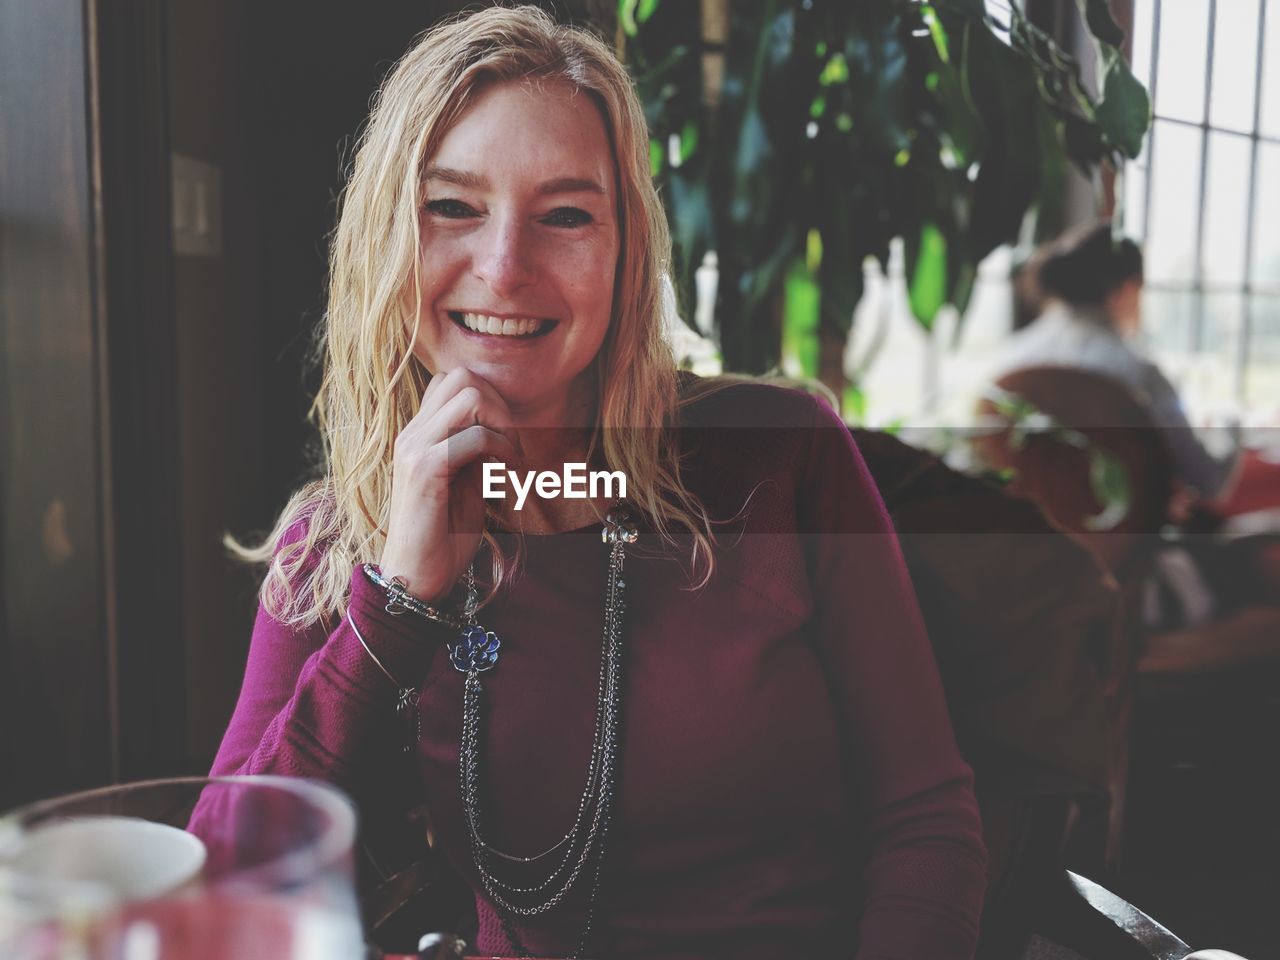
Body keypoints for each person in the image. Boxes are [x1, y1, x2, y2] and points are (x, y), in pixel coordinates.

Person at [210, 7, 986, 958]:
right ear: (387, 240)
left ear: (627, 256)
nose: (503, 268)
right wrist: (397, 605)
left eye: (566, 216)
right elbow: (225, 890)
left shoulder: (784, 455)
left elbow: (926, 822)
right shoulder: (338, 548)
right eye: (452, 207)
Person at [989, 222, 1237, 505]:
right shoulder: (1138, 373)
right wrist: (1229, 427)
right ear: (1129, 288)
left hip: (1024, 535)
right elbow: (1207, 481)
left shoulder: (1007, 360)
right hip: (1119, 544)